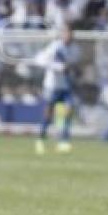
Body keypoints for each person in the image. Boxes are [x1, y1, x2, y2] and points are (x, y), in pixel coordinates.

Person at [33, 25, 78, 154]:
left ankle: (64, 141)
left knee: (68, 111)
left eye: (71, 34)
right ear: (63, 34)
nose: (69, 36)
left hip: (66, 86)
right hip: (52, 85)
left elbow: (73, 64)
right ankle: (41, 139)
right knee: (49, 113)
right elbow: (39, 60)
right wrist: (58, 67)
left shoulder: (75, 49)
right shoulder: (55, 47)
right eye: (66, 33)